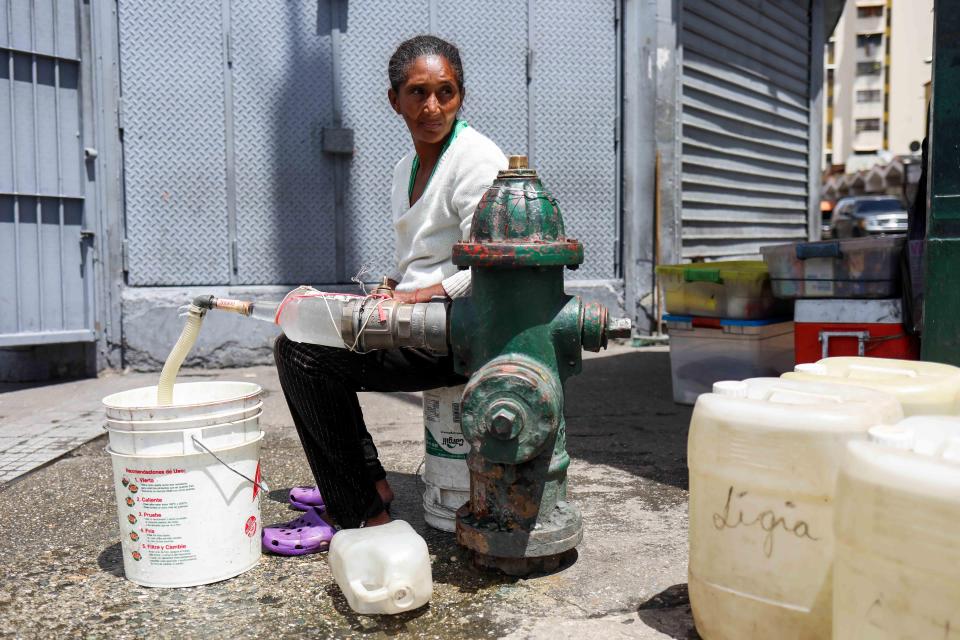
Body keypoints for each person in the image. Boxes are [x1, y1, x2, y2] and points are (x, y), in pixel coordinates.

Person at [262, 35, 508, 556]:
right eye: (418, 93)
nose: (432, 107)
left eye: (446, 92)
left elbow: (487, 266)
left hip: (460, 328)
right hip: (418, 315)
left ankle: (362, 516)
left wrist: (420, 298)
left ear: (461, 95)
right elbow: (419, 259)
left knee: (304, 359)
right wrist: (391, 289)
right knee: (307, 334)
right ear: (394, 99)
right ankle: (367, 482)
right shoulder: (404, 169)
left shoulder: (477, 159)